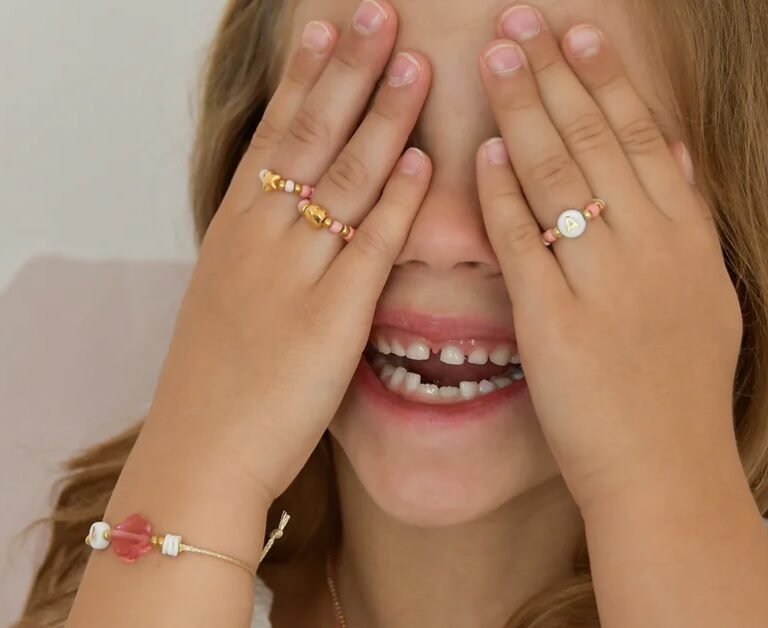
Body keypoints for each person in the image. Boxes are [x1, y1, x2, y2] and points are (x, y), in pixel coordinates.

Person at [13, 0, 768, 626]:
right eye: (364, 140)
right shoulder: (33, 386)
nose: (439, 241)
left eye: (560, 162)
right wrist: (200, 466)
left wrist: (666, 485)